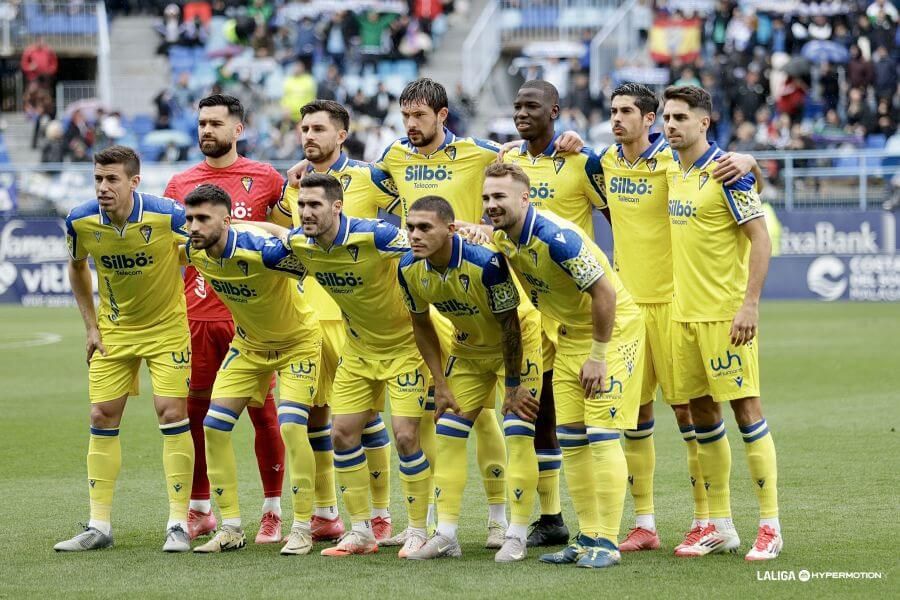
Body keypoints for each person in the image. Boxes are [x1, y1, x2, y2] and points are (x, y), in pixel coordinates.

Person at [599, 83, 761, 554]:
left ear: (650, 118)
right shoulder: (603, 163)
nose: (616, 119)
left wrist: (750, 161)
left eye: (627, 111)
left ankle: (707, 518)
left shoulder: (675, 159)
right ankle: (644, 522)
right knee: (635, 415)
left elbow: (735, 174)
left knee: (689, 413)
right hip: (629, 306)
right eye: (612, 111)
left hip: (677, 303)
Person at [259, 174, 431, 559]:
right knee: (342, 433)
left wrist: (473, 232)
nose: (305, 212)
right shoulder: (301, 242)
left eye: (315, 205)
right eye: (302, 205)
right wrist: (231, 224)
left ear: (337, 207)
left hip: (404, 346)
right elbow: (275, 234)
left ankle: (419, 529)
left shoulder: (375, 235)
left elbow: (425, 243)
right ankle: (361, 532)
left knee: (405, 437)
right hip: (358, 349)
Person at [485, 162, 645, 569]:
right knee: (571, 438)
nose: (491, 204)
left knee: (602, 434)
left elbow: (605, 293)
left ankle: (607, 541)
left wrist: (599, 356)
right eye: (487, 198)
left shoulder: (558, 238)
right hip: (570, 334)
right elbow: (490, 233)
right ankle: (586, 534)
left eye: (500, 197)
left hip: (611, 334)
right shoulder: (506, 238)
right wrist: (473, 229)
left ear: (525, 197)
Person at [271, 99, 402, 543]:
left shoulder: (370, 176)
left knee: (366, 420)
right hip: (310, 316)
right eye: (303, 129)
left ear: (341, 134)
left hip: (359, 318)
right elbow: (287, 237)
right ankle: (327, 513)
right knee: (315, 418)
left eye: (318, 129)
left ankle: (380, 515)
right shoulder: (298, 185)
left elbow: (416, 213)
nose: (308, 136)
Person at [661, 85, 781, 560]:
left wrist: (749, 305)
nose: (670, 126)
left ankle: (770, 524)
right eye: (666, 118)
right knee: (702, 418)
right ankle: (721, 524)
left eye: (679, 118)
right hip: (683, 315)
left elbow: (761, 239)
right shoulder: (672, 169)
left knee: (747, 412)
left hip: (725, 317)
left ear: (704, 123)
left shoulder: (727, 173)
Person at [56, 145, 194, 553]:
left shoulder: (167, 214)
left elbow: (203, 248)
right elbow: (78, 267)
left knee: (171, 413)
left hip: (168, 329)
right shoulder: (80, 221)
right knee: (101, 414)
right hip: (114, 332)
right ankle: (99, 524)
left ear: (134, 181)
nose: (103, 186)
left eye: (112, 179)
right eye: (98, 178)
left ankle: (178, 523)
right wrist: (90, 327)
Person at [164, 94, 287, 544]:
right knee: (195, 412)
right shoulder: (179, 184)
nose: (206, 131)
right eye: (201, 123)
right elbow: (172, 253)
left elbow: (284, 242)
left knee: (263, 410)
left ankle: (272, 510)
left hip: (249, 318)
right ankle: (200, 508)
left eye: (216, 123)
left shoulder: (266, 179)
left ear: (238, 129)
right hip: (195, 316)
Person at [397, 196, 541, 563]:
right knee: (447, 432)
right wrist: (439, 383)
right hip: (467, 349)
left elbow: (510, 323)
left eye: (424, 228)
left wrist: (512, 387)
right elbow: (421, 324)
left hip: (517, 343)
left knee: (519, 431)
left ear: (450, 229)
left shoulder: (486, 262)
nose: (414, 235)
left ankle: (516, 534)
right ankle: (446, 535)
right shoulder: (408, 268)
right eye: (411, 227)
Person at [182, 184, 321, 556]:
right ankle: (229, 528)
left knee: (292, 426)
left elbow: (312, 261)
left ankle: (303, 527)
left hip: (297, 344)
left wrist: (275, 230)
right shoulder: (192, 251)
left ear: (226, 220)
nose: (193, 226)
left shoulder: (262, 251)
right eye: (190, 218)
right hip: (249, 346)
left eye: (202, 219)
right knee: (213, 426)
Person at [499, 79, 608, 546]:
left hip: (576, 307)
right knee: (535, 409)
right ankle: (551, 516)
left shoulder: (582, 162)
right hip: (527, 307)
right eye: (517, 105)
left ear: (556, 111)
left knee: (584, 418)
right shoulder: (505, 162)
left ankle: (610, 523)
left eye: (532, 106)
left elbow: (616, 212)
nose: (522, 113)